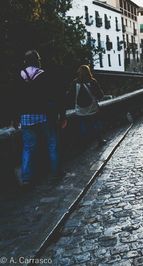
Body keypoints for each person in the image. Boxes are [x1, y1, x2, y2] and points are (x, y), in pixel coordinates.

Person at [15, 50, 67, 186]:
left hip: (25, 117)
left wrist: (15, 117)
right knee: (52, 144)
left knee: (28, 147)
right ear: (37, 60)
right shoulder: (45, 75)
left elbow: (14, 98)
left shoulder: (19, 77)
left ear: (25, 61)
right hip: (44, 115)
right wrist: (62, 114)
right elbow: (57, 96)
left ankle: (26, 177)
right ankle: (56, 172)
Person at [69, 65, 105, 146]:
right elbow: (100, 95)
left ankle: (85, 143)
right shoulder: (92, 81)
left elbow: (70, 96)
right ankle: (99, 140)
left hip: (80, 110)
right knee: (96, 124)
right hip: (92, 108)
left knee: (83, 127)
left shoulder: (75, 82)